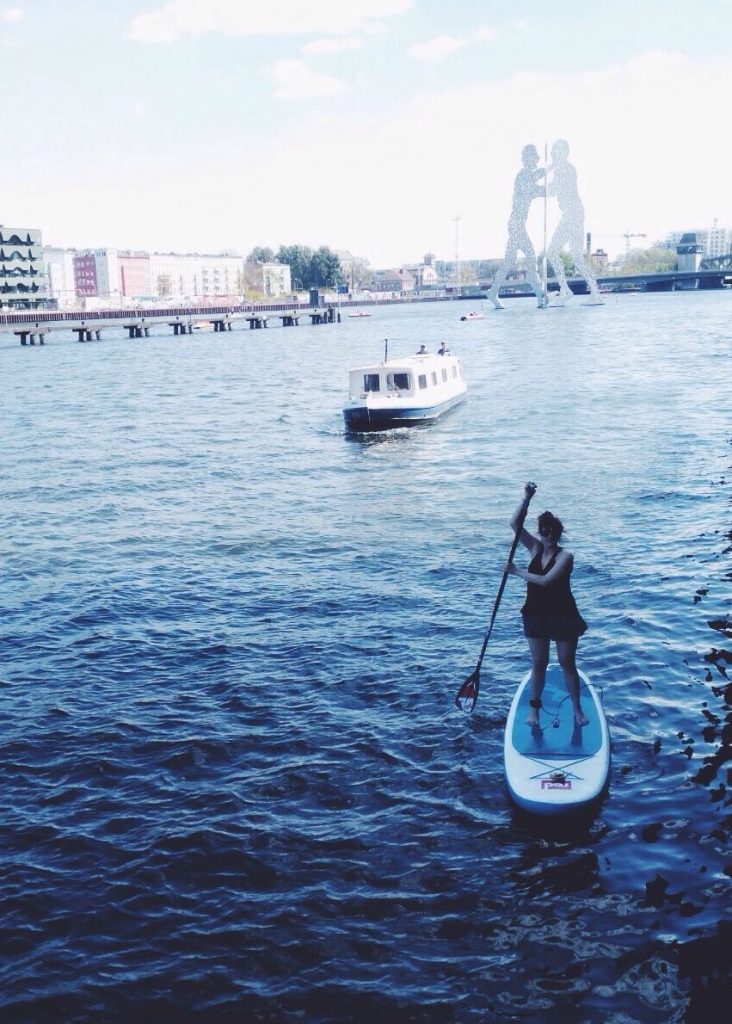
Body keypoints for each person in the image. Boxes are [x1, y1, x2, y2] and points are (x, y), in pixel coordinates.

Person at [505, 482, 588, 726]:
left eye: (553, 532)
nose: (549, 535)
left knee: (566, 664)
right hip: (536, 613)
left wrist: (516, 571)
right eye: (545, 531)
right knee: (539, 663)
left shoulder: (566, 557)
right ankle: (534, 712)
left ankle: (577, 710)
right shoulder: (535, 548)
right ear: (540, 532)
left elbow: (545, 581)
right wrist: (526, 498)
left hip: (563, 615)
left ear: (559, 534)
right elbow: (514, 525)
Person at [487, 144, 545, 309]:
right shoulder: (523, 176)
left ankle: (493, 291)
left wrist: (550, 169)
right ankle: (540, 295)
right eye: (534, 158)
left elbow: (537, 177)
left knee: (509, 261)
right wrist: (550, 186)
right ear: (527, 159)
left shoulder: (527, 175)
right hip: (516, 224)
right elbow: (535, 187)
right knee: (531, 258)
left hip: (517, 224)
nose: (536, 161)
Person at [546, 139, 600, 303]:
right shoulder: (565, 168)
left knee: (553, 252)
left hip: (572, 214)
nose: (553, 156)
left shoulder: (565, 169)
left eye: (555, 153)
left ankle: (566, 290)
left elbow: (554, 189)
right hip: (574, 214)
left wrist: (538, 188)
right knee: (576, 257)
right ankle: (593, 291)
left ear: (562, 153)